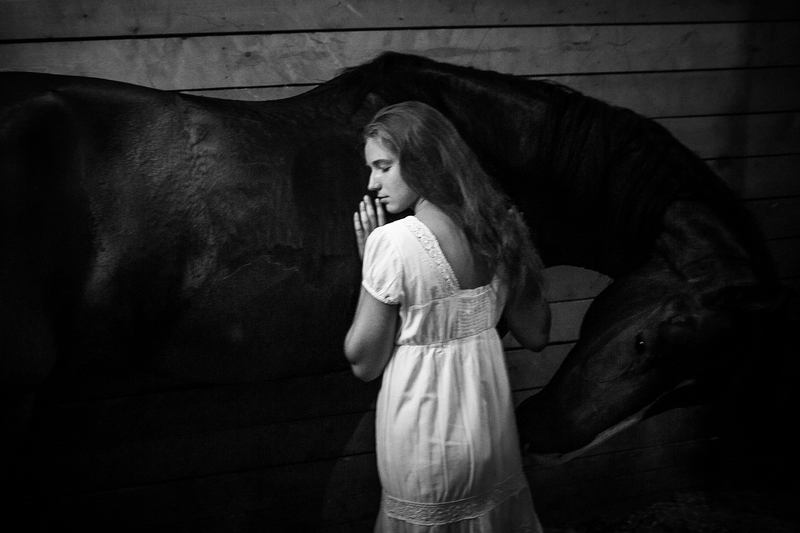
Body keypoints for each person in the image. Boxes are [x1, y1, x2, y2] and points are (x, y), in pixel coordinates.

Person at [344, 101, 551, 532]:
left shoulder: (393, 242)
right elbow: (536, 333)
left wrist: (373, 271)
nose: (372, 183)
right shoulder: (498, 228)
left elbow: (363, 362)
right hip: (492, 436)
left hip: (425, 447)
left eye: (383, 167)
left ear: (423, 160)